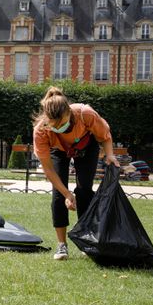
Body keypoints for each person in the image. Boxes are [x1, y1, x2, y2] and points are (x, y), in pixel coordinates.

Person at [33, 86, 120, 261]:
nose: (60, 128)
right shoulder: (41, 131)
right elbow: (48, 169)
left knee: (84, 191)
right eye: (54, 126)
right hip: (59, 151)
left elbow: (105, 136)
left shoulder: (84, 114)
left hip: (86, 148)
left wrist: (109, 154)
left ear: (69, 113)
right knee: (58, 195)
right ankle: (61, 245)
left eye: (63, 124)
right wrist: (66, 194)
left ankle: (86, 239)